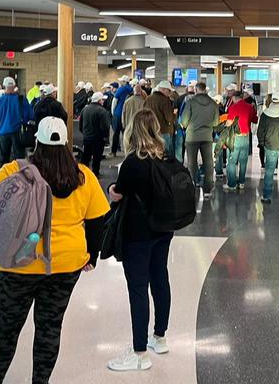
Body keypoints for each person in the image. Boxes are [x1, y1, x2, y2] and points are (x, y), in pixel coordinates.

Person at [0, 117, 109, 384]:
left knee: (6, 330)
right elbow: (98, 222)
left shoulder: (15, 170)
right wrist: (90, 257)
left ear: (36, 141)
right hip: (66, 264)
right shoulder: (83, 176)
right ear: (66, 142)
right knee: (49, 328)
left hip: (18, 262)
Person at [106, 110, 175, 372]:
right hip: (163, 229)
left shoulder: (134, 161)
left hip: (137, 233)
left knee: (138, 288)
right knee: (160, 279)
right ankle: (160, 337)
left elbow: (119, 194)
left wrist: (112, 190)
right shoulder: (166, 157)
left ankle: (139, 353)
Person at [180, 82, 218, 195]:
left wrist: (186, 126)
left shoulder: (190, 102)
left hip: (192, 137)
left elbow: (184, 121)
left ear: (196, 90)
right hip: (207, 136)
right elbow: (216, 122)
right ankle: (208, 189)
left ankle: (193, 184)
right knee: (208, 162)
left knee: (192, 162)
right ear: (205, 90)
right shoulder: (213, 103)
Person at [0, 77, 34, 165]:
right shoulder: (22, 100)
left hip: (3, 132)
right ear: (14, 86)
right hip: (18, 132)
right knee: (19, 158)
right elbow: (31, 116)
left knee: (4, 157)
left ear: (3, 86)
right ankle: (20, 176)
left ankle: (4, 176)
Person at [225, 88, 258, 191]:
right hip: (246, 137)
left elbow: (229, 123)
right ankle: (242, 182)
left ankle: (232, 184)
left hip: (235, 137)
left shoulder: (233, 107)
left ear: (234, 98)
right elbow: (255, 120)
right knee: (243, 161)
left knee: (231, 162)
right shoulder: (249, 107)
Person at [80, 93, 112, 177]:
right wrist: (105, 138)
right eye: (102, 100)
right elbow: (105, 127)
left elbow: (81, 125)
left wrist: (84, 133)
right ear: (99, 100)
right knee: (97, 158)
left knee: (86, 157)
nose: (103, 101)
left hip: (87, 138)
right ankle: (95, 173)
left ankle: (83, 173)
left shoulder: (84, 109)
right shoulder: (102, 111)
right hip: (98, 139)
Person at [145, 81, 176, 157]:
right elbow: (169, 118)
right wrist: (175, 114)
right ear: (164, 89)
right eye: (169, 90)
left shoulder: (148, 99)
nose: (169, 93)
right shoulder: (165, 101)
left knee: (152, 153)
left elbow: (143, 113)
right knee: (164, 153)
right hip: (163, 131)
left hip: (150, 130)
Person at [111, 76, 135, 157]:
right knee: (126, 134)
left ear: (125, 81)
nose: (120, 82)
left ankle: (113, 151)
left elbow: (115, 101)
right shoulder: (131, 89)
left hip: (118, 113)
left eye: (122, 81)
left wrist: (113, 112)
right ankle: (127, 151)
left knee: (116, 133)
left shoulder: (121, 89)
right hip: (128, 114)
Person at [122, 83, 148, 152]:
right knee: (139, 145)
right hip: (140, 127)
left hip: (129, 126)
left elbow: (123, 115)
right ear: (141, 91)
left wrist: (124, 125)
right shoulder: (144, 102)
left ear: (134, 91)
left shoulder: (127, 102)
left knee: (129, 144)